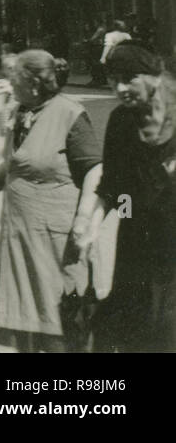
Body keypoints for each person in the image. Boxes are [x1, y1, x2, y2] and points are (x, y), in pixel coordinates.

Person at [0, 50, 103, 352]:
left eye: (14, 78)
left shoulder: (70, 113)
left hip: (56, 239)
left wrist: (83, 220)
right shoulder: (21, 112)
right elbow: (15, 163)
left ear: (34, 83)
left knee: (58, 322)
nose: (8, 83)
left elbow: (95, 169)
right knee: (24, 319)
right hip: (19, 236)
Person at [75, 43, 176, 352]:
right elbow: (115, 187)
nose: (119, 88)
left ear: (155, 76)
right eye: (112, 79)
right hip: (137, 242)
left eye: (129, 78)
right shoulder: (121, 121)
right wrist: (91, 226)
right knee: (137, 330)